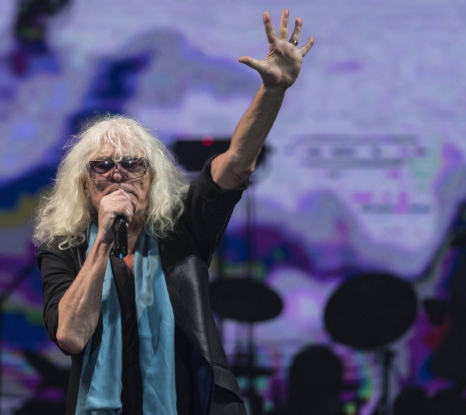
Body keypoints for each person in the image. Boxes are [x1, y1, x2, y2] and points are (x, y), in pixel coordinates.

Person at [33, 9, 314, 415]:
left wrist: (273, 91)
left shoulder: (182, 227)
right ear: (84, 185)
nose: (118, 174)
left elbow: (236, 164)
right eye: (103, 166)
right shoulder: (64, 248)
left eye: (133, 164)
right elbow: (71, 336)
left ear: (152, 178)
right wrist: (103, 244)